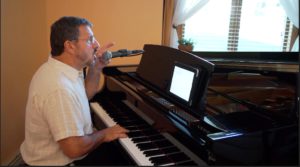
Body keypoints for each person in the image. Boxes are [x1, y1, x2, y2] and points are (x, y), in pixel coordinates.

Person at [20, 16, 129, 166]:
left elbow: (84, 96)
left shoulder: (63, 68)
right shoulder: (58, 88)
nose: (97, 45)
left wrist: (96, 68)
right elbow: (75, 149)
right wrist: (104, 134)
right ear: (70, 46)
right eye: (90, 40)